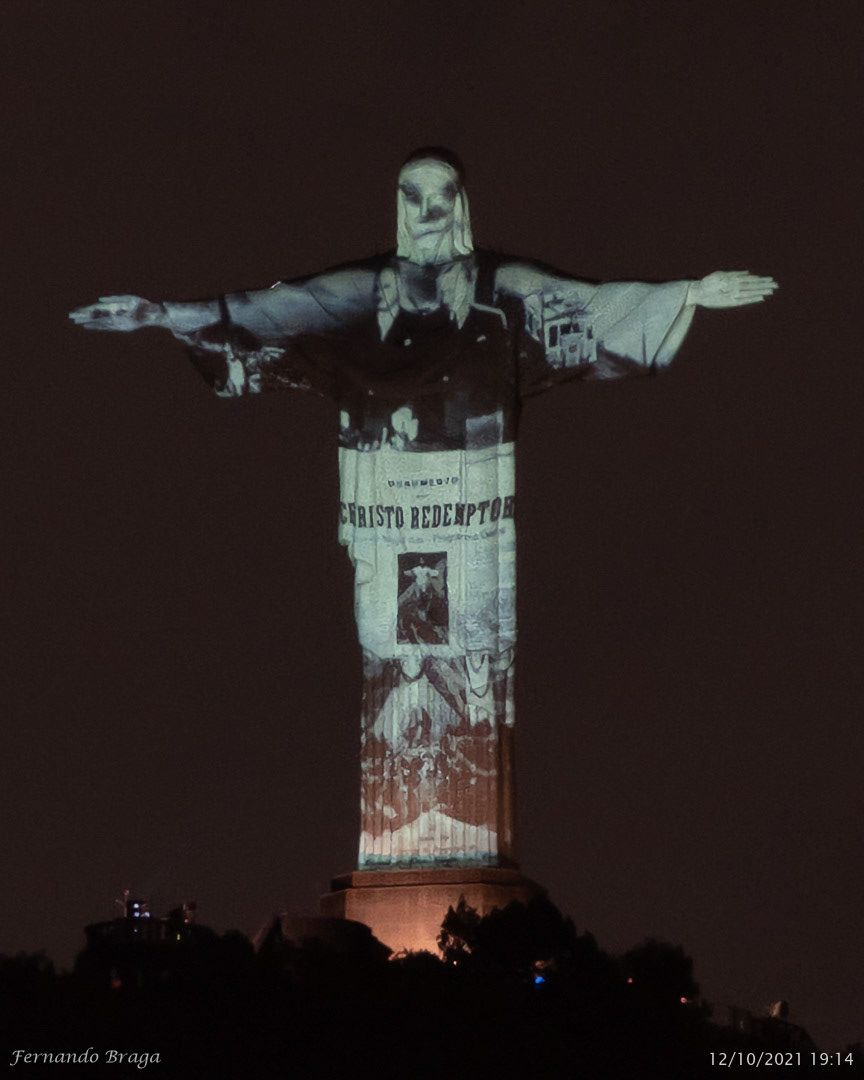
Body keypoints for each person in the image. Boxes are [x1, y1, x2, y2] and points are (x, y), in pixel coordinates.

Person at [69, 148, 778, 869]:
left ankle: (468, 848)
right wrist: (161, 315)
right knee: (390, 659)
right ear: (399, 206)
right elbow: (268, 312)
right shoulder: (360, 291)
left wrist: (686, 293)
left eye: (443, 196)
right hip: (387, 504)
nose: (429, 212)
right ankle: (398, 846)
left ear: (462, 204)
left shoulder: (502, 287)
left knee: (477, 661)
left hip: (474, 507)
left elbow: (589, 304)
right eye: (414, 197)